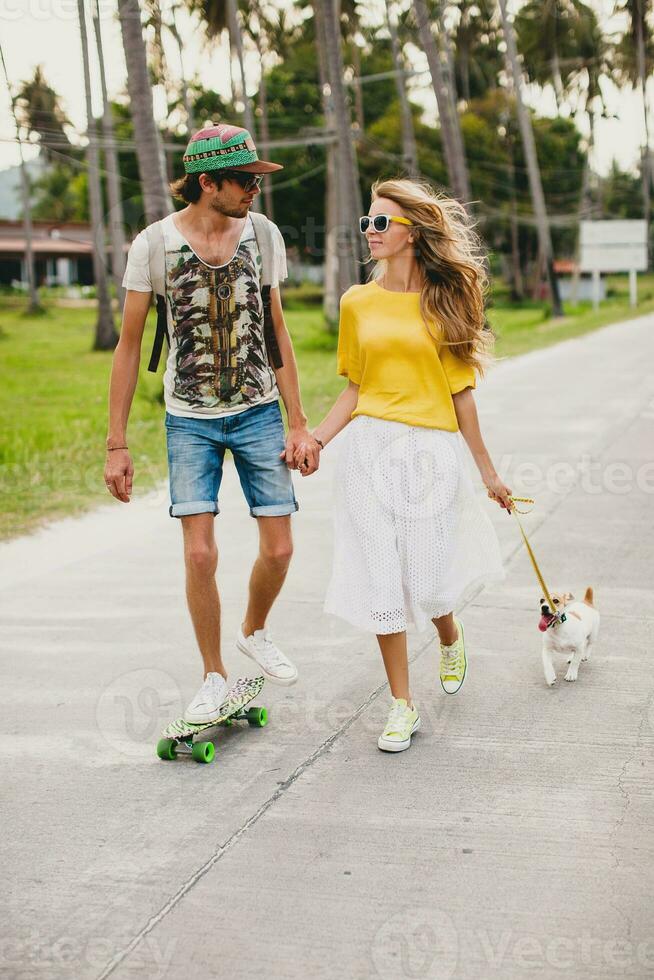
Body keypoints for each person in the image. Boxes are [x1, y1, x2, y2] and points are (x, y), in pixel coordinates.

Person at [104, 123, 321, 723]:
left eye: (256, 178)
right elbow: (128, 346)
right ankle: (214, 675)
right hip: (189, 419)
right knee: (200, 555)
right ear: (207, 183)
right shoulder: (153, 245)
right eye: (245, 180)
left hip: (257, 412)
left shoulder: (264, 235)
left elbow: (277, 330)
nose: (255, 188)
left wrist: (298, 421)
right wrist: (116, 443)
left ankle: (254, 630)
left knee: (278, 549)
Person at [291, 177, 512, 753]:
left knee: (428, 581)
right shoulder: (355, 302)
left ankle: (449, 632)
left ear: (413, 233)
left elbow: (462, 393)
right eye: (366, 222)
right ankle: (401, 706)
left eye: (381, 223)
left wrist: (488, 473)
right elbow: (355, 390)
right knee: (381, 578)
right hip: (369, 451)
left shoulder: (446, 302)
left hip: (430, 455)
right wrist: (316, 439)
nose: (370, 231)